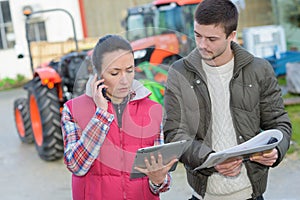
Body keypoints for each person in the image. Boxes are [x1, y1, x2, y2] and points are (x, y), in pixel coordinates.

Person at [163, 0, 292, 200]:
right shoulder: (179, 73)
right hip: (204, 195)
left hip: (251, 194)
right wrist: (209, 160)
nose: (202, 45)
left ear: (232, 36)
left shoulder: (259, 69)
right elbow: (174, 133)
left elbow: (279, 123)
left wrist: (276, 149)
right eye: (198, 35)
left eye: (211, 39)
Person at [61, 34, 178, 200]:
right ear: (97, 74)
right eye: (115, 73)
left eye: (129, 70)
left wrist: (159, 180)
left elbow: (161, 183)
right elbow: (76, 165)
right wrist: (101, 115)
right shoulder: (73, 110)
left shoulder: (153, 110)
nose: (125, 80)